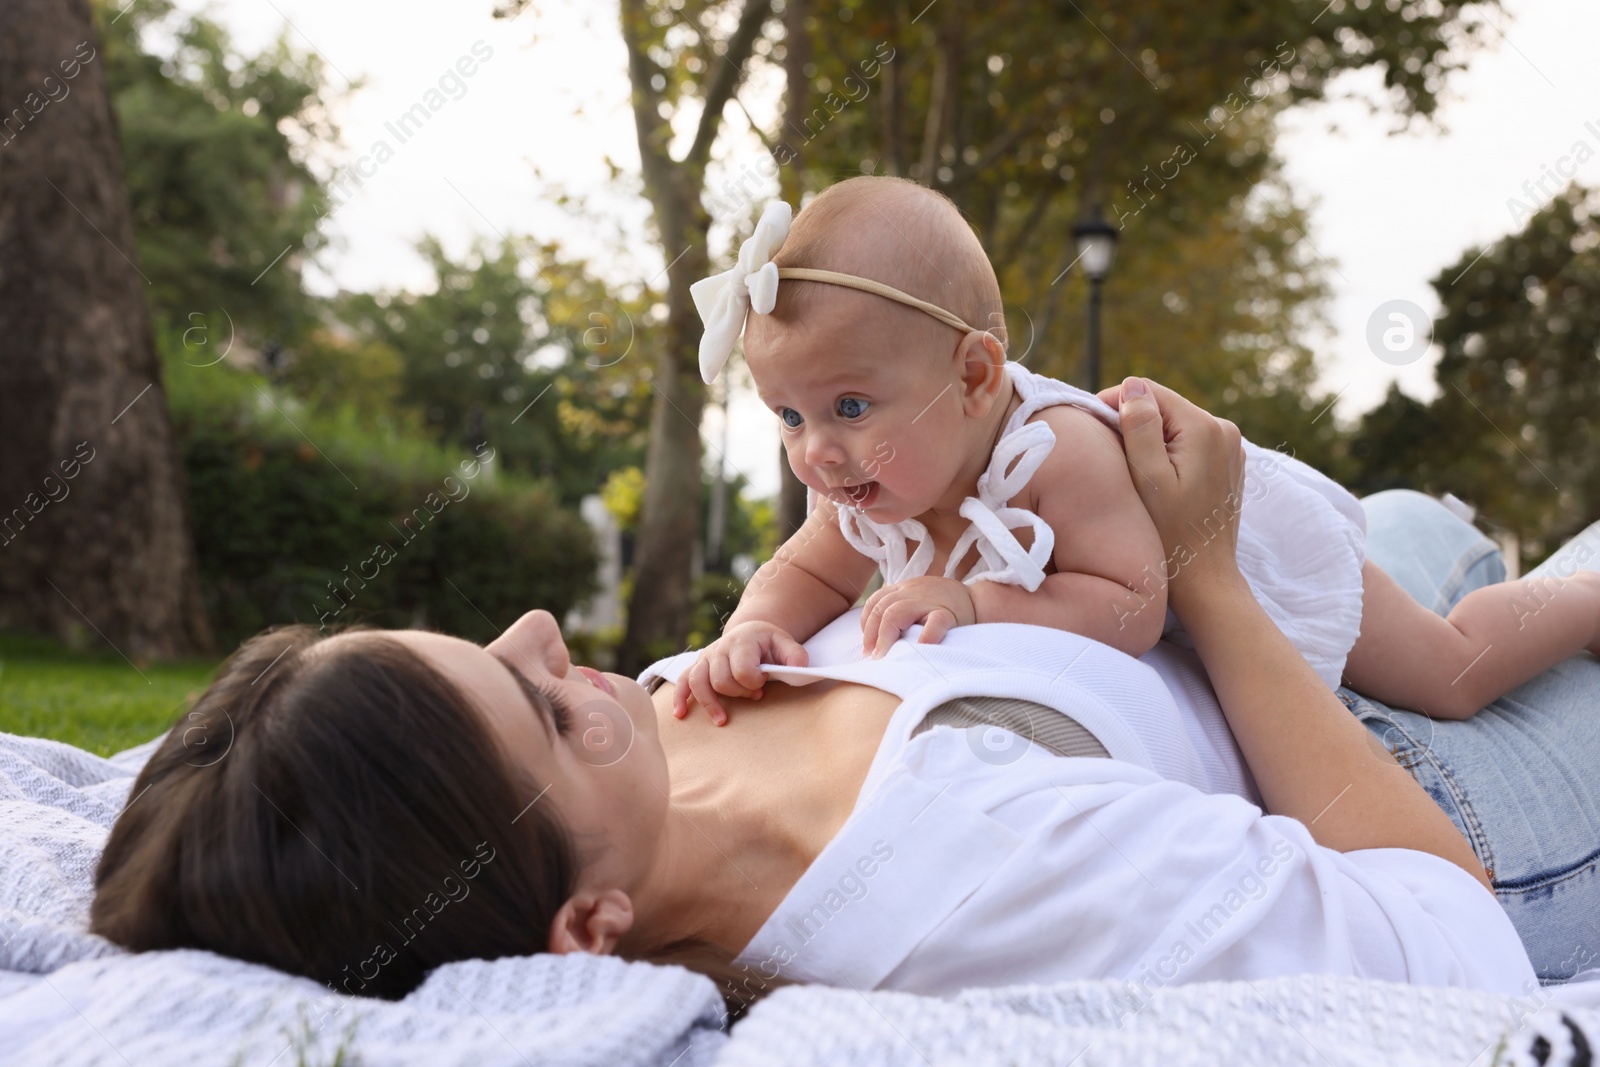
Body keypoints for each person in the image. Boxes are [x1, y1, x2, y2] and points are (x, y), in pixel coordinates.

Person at [96, 375, 1597, 1011]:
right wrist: (1200, 570)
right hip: (1404, 768)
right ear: (583, 927)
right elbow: (1451, 953)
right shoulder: (965, 870)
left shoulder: (671, 728)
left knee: (1412, 522)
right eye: (538, 701)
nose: (546, 626)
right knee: (1511, 605)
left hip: (1272, 604)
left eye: (488, 643)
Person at [674, 176, 1600, 726]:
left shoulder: (1054, 453)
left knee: (1449, 672)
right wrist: (753, 626)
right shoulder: (866, 482)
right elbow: (807, 571)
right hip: (1187, 602)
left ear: (974, 376)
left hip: (1243, 560)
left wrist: (969, 597)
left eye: (848, 405)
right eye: (788, 416)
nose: (820, 454)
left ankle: (1582, 603)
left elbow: (1132, 607)